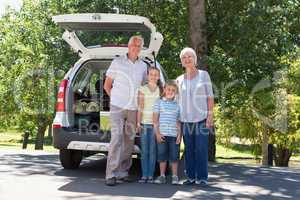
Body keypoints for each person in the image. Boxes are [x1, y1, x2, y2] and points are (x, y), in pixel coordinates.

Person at [104, 35, 148, 186]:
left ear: (141, 48)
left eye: (138, 45)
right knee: (116, 139)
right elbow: (107, 85)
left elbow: (144, 88)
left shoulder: (143, 66)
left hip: (133, 108)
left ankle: (123, 172)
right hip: (117, 106)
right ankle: (111, 174)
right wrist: (114, 99)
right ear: (128, 46)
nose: (135, 47)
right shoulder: (117, 62)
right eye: (133, 44)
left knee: (129, 141)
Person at [176, 47, 214, 186]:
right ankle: (191, 177)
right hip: (186, 120)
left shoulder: (204, 75)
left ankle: (202, 177)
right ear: (181, 61)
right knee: (189, 150)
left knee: (202, 149)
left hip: (201, 119)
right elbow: (177, 101)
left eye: (189, 57)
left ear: (195, 59)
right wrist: (177, 121)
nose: (187, 59)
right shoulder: (179, 79)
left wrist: (210, 115)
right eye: (184, 57)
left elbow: (210, 97)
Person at [153, 81, 181, 185]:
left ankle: (175, 176)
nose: (170, 92)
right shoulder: (159, 102)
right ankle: (162, 176)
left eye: (173, 90)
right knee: (162, 156)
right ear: (164, 90)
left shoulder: (178, 105)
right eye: (168, 89)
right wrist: (157, 134)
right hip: (162, 135)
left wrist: (179, 135)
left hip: (174, 135)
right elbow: (155, 120)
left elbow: (178, 122)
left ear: (176, 92)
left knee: (174, 156)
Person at [136, 67, 162, 183]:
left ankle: (150, 175)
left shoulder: (160, 90)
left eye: (156, 74)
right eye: (151, 74)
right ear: (148, 75)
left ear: (158, 76)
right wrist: (138, 122)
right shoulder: (142, 89)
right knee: (144, 150)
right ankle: (144, 175)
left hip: (155, 125)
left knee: (153, 151)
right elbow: (140, 107)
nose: (153, 76)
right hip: (144, 124)